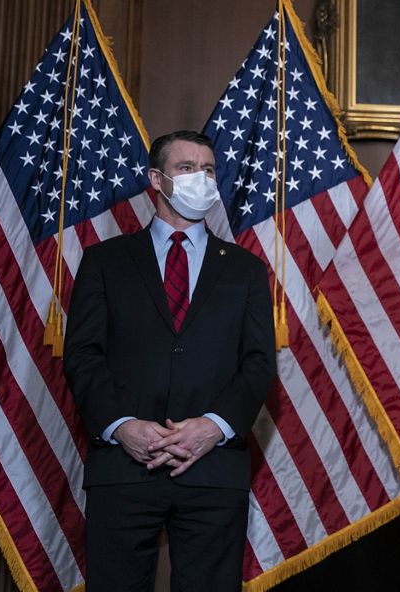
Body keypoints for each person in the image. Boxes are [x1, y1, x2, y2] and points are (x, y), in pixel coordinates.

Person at [64, 130, 276, 591]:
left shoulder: (245, 269)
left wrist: (213, 427)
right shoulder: (105, 261)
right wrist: (122, 426)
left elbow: (259, 363)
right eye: (187, 168)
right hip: (123, 467)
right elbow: (82, 356)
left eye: (209, 170)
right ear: (156, 179)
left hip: (213, 472)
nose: (201, 179)